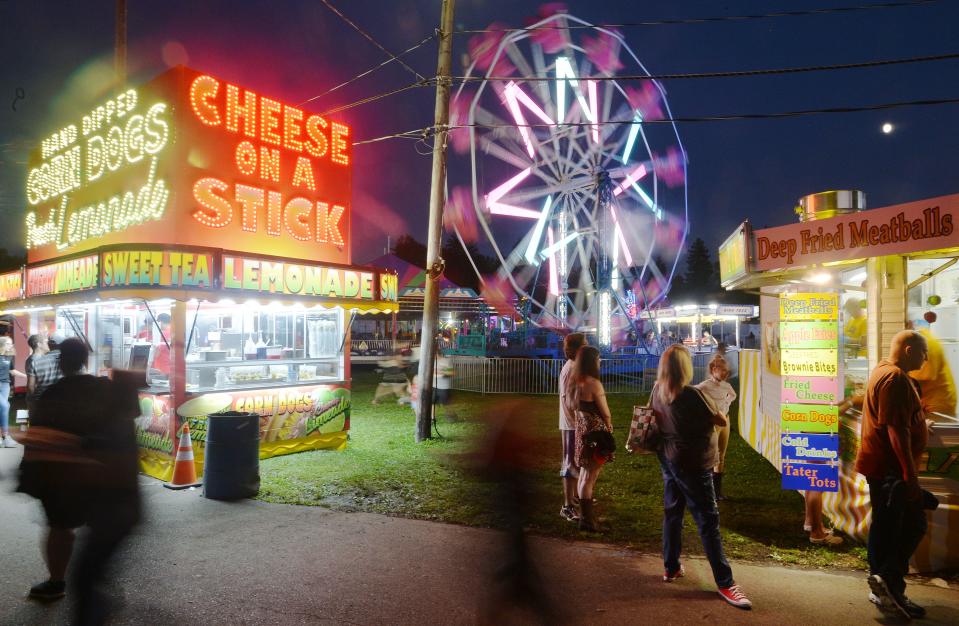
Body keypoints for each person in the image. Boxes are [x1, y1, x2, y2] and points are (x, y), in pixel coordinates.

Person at [18, 338, 141, 622]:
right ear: (86, 359)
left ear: (61, 362)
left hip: (66, 482)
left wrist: (31, 477)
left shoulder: (53, 395)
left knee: (60, 528)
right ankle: (92, 589)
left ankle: (58, 582)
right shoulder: (106, 388)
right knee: (96, 545)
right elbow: (131, 415)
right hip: (108, 481)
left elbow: (39, 441)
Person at [650, 344, 752, 609]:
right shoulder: (692, 395)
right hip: (694, 465)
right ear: (685, 368)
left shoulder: (657, 391)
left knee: (673, 513)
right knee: (708, 521)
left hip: (669, 459)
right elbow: (720, 420)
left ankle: (671, 567)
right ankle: (726, 583)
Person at [856, 330, 930, 619]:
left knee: (885, 527)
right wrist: (910, 478)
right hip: (892, 471)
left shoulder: (883, 371)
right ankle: (888, 581)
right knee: (913, 524)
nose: (927, 358)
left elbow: (901, 420)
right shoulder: (896, 379)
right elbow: (895, 431)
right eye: (924, 352)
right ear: (909, 349)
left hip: (884, 469)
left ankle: (883, 587)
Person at [564, 345, 614, 532]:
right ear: (592, 362)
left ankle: (585, 517)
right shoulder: (593, 383)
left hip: (582, 432)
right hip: (596, 432)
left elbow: (570, 406)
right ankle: (587, 521)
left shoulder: (573, 382)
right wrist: (609, 425)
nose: (600, 362)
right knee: (591, 475)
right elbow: (605, 411)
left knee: (584, 474)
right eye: (598, 359)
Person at [695, 354, 736, 500]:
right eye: (722, 370)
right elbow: (693, 392)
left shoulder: (727, 386)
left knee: (721, 455)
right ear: (713, 369)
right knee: (710, 456)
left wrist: (726, 403)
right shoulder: (705, 385)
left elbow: (733, 395)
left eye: (727, 370)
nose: (725, 373)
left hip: (726, 421)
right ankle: (707, 490)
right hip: (713, 423)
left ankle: (717, 492)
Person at [558, 333, 586, 522]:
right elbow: (569, 401)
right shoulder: (571, 369)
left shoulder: (574, 367)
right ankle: (567, 506)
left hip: (575, 423)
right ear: (576, 349)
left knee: (576, 461)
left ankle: (574, 497)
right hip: (571, 423)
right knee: (570, 464)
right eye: (584, 345)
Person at [909, 328, 956, 417]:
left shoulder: (924, 343)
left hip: (934, 407)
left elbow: (917, 379)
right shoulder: (923, 339)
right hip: (939, 403)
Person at [0, 336, 26, 447]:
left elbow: (12, 371)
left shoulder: (8, 356)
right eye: (9, 343)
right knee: (5, 406)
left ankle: (4, 438)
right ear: (2, 344)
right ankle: (6, 436)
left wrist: (27, 376)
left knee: (2, 409)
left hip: (5, 385)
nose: (11, 345)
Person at [28, 332, 64, 407]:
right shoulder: (70, 360)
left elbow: (31, 386)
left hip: (42, 399)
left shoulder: (36, 361)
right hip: (61, 399)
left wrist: (33, 400)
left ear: (49, 344)